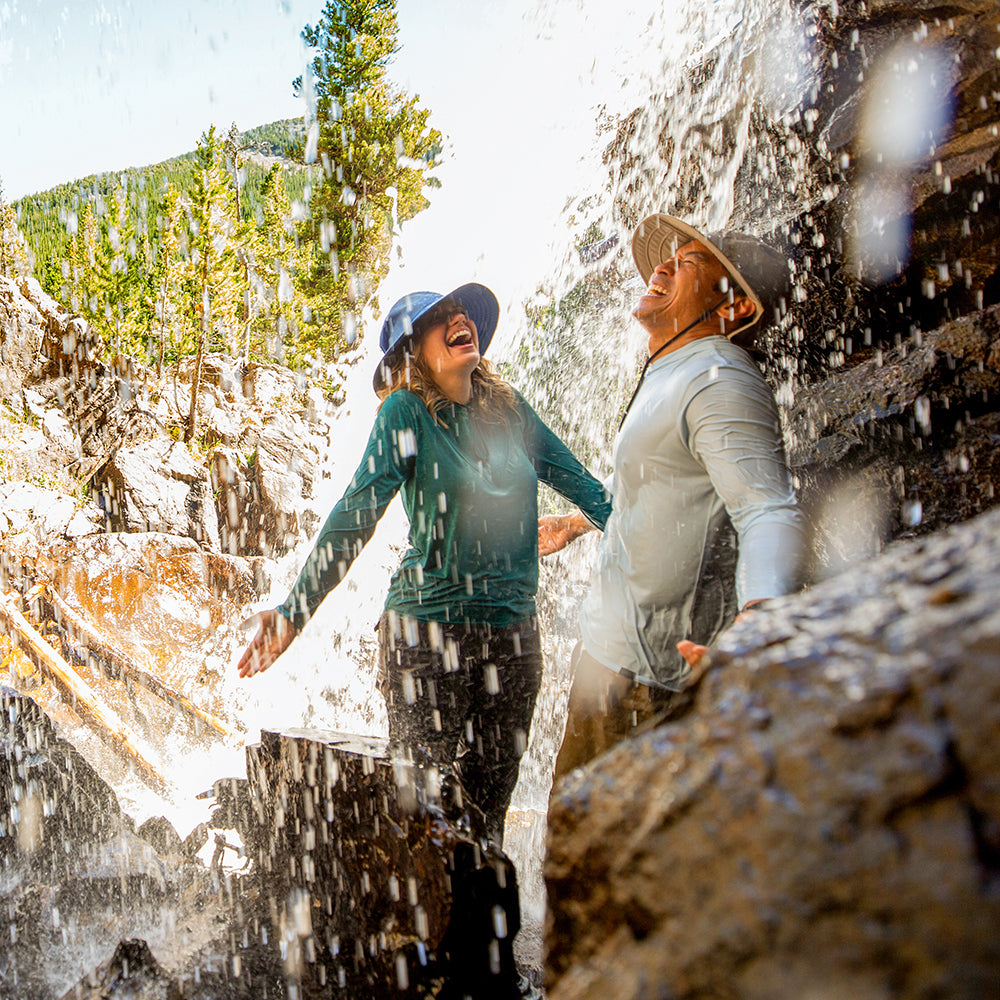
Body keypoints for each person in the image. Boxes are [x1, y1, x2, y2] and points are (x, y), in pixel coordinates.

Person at [237, 282, 611, 843]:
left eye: (461, 312)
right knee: (424, 818)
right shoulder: (405, 412)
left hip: (512, 638)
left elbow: (589, 489)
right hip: (427, 635)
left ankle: (481, 903)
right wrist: (294, 611)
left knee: (487, 819)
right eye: (440, 317)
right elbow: (355, 513)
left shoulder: (509, 410)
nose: (459, 319)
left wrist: (614, 528)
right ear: (412, 354)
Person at [542, 214, 806, 777]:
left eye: (688, 263)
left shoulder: (719, 380)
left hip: (648, 686)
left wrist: (759, 618)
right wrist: (577, 523)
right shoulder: (676, 370)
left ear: (733, 306)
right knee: (574, 826)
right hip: (606, 660)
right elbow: (651, 477)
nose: (661, 266)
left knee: (609, 832)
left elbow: (767, 508)